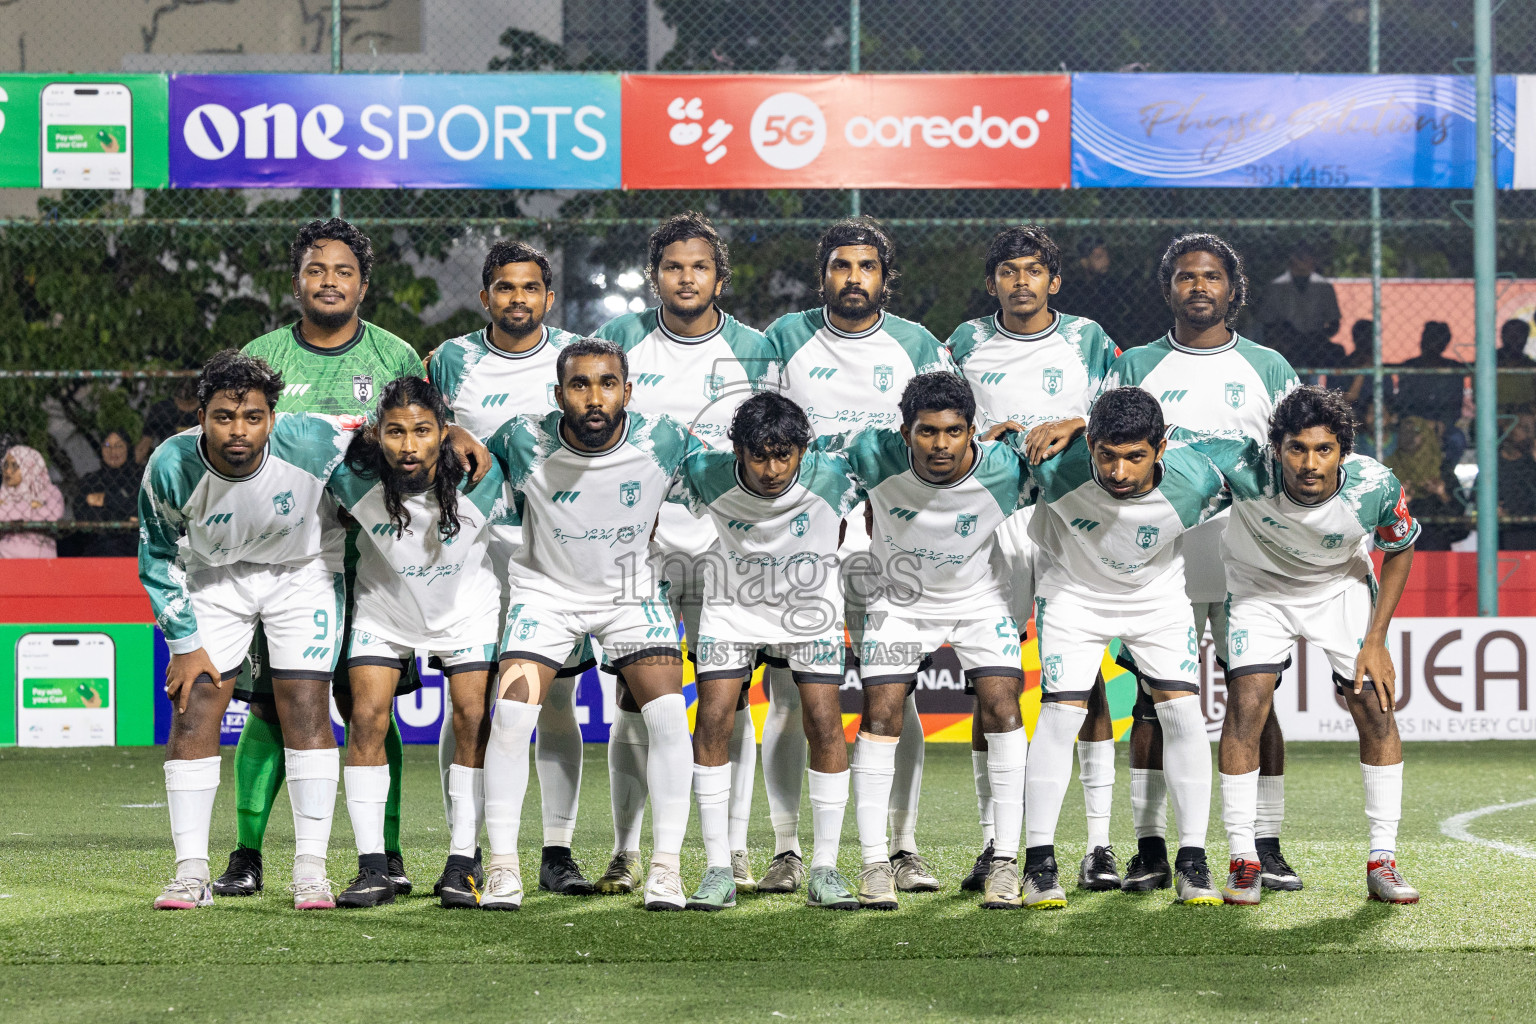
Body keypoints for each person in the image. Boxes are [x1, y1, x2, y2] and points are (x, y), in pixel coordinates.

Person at [215, 218, 487, 902]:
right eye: (316, 269)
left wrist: (453, 427)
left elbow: (424, 423)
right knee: (274, 708)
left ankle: (385, 853)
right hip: (282, 561)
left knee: (366, 708)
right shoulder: (266, 355)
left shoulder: (395, 354)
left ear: (364, 284)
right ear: (298, 280)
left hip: (370, 566)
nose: (329, 282)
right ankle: (247, 854)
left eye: (343, 271)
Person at [1062, 234, 1301, 894]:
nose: (1200, 287)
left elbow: (1298, 458)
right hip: (1153, 562)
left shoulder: (1269, 367)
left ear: (1233, 287)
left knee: (1256, 703)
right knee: (1150, 703)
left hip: (1244, 561)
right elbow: (1101, 448)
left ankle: (1264, 844)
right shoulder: (1135, 363)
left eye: (1213, 277)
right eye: (1186, 277)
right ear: (1168, 288)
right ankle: (1150, 847)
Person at [766, 217, 955, 896]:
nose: (853, 278)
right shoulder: (785, 338)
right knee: (789, 694)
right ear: (824, 274)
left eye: (866, 266)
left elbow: (948, 439)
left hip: (890, 543)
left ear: (885, 275)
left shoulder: (918, 344)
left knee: (893, 694)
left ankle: (901, 847)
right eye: (841, 266)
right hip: (801, 541)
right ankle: (787, 849)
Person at [480, 339, 701, 911]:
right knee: (509, 717)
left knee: (670, 718)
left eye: (607, 383)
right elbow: (466, 460)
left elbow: (727, 482)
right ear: (559, 395)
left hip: (631, 595)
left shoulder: (664, 441)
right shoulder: (520, 439)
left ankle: (666, 870)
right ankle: (503, 868)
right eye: (579, 385)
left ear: (628, 390)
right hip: (546, 594)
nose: (594, 397)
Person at [593, 213, 778, 895]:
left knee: (730, 695)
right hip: (637, 542)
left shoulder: (756, 349)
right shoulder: (617, 341)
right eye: (674, 266)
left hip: (728, 542)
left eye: (699, 267)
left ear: (719, 277)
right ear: (655, 275)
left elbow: (774, 447)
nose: (686, 277)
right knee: (635, 696)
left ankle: (732, 848)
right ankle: (624, 850)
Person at [1186, 385, 1421, 905]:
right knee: (1246, 704)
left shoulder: (1374, 485)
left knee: (1375, 707)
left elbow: (1399, 548)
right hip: (1258, 588)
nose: (1309, 463)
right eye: (1296, 448)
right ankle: (1244, 858)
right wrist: (1076, 427)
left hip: (1338, 588)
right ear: (1276, 448)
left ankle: (1383, 859)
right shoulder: (1242, 464)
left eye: (1323, 449)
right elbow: (1159, 438)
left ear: (1343, 450)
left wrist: (1377, 639)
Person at [138, 351, 351, 911]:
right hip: (214, 578)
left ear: (273, 418)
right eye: (223, 417)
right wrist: (183, 645)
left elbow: (379, 434)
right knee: (195, 708)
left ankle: (311, 869)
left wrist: (451, 432)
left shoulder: (314, 441)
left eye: (252, 417)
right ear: (201, 416)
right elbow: (158, 559)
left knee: (305, 705)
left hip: (301, 573)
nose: (238, 431)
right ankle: (190, 872)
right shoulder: (169, 465)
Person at [947, 225, 1123, 893]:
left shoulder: (1085, 338)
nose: (1021, 281)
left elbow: (1121, 412)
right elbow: (938, 416)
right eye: (1008, 271)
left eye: (1034, 270)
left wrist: (1077, 426)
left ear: (1055, 279)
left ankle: (1099, 844)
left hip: (1072, 517)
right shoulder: (964, 342)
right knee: (994, 678)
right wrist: (979, 434)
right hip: (993, 520)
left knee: (1084, 677)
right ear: (992, 281)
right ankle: (995, 845)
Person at [1017, 387, 1231, 908]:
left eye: (1135, 457)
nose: (1118, 472)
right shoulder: (1053, 465)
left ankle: (1194, 862)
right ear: (1089, 444)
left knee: (1182, 715)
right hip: (1074, 595)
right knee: (1060, 718)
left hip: (1156, 600)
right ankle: (1039, 865)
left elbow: (1262, 456)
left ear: (1161, 448)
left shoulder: (1201, 478)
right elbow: (988, 453)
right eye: (1106, 456)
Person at [430, 240, 595, 898]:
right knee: (469, 700)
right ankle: (461, 849)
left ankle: (557, 850)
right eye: (504, 287)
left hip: (553, 553)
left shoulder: (575, 355)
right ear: (485, 297)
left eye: (530, 288)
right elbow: (421, 427)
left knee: (556, 698)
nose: (517, 299)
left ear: (548, 298)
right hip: (469, 553)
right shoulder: (451, 360)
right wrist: (449, 433)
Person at [840, 374, 1033, 910]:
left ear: (973, 431)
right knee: (881, 712)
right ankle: (876, 862)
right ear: (905, 432)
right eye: (926, 432)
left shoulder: (1006, 467)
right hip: (897, 602)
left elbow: (1086, 476)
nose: (940, 445)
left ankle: (1004, 861)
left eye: (953, 432)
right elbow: (812, 484)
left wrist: (1074, 425)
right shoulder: (870, 454)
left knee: (1002, 706)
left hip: (978, 601)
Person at [669, 392, 861, 911]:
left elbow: (906, 445)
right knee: (712, 721)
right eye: (759, 456)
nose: (773, 469)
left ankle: (824, 867)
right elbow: (649, 456)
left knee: (823, 722)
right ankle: (717, 869)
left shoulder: (835, 471)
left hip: (811, 610)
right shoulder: (706, 472)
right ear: (738, 450)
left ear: (804, 451)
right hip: (731, 607)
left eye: (784, 455)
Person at [327, 377, 505, 910]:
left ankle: (462, 862)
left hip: (467, 609)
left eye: (423, 431)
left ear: (443, 432)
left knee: (473, 720)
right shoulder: (353, 480)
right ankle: (373, 868)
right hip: (386, 608)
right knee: (366, 720)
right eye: (396, 432)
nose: (410, 446)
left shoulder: (480, 478)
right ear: (377, 434)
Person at [1390, 321, 1466, 471]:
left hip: (1442, 425)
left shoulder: (1452, 368)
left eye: (1436, 340)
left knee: (1457, 439)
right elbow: (1403, 403)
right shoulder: (1410, 366)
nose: (1430, 344)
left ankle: (1444, 472)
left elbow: (1456, 405)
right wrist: (1420, 423)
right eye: (1427, 338)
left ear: (1444, 344)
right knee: (1395, 438)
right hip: (1413, 422)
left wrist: (1441, 423)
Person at [1258, 242, 1343, 368]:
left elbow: (1334, 322)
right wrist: (1283, 338)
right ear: (1293, 258)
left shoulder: (1324, 287)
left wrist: (1318, 336)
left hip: (1316, 343)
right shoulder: (1276, 287)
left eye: (1310, 257)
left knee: (1337, 353)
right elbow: (1268, 322)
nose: (1308, 261)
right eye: (1301, 257)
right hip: (1287, 344)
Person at [72, 430, 142, 557]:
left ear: (128, 449)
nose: (113, 451)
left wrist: (107, 499)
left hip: (136, 549)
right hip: (98, 548)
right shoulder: (91, 480)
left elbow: (143, 511)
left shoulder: (141, 478)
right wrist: (126, 519)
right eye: (107, 446)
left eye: (119, 446)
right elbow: (82, 514)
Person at [0, 445, 65, 558]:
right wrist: (31, 507)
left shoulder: (50, 491)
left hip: (41, 557)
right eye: (5, 465)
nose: (8, 471)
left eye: (15, 466)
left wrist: (11, 508)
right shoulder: (3, 492)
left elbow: (54, 514)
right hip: (5, 556)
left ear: (29, 466)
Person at [1497, 413, 1536, 550]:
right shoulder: (1493, 465)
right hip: (1502, 539)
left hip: (1529, 536)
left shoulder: (1531, 465)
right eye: (1523, 428)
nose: (1528, 435)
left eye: (1530, 429)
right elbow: (1473, 504)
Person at [143, 379, 201, 446]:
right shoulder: (162, 409)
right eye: (182, 404)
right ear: (175, 398)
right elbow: (145, 442)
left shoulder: (205, 410)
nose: (186, 409)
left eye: (190, 405)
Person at [1496, 318, 1535, 413]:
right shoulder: (1489, 364)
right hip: (1495, 414)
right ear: (1502, 336)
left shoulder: (1531, 366)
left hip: (1525, 415)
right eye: (1511, 334)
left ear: (1526, 337)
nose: (1515, 338)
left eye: (1519, 334)